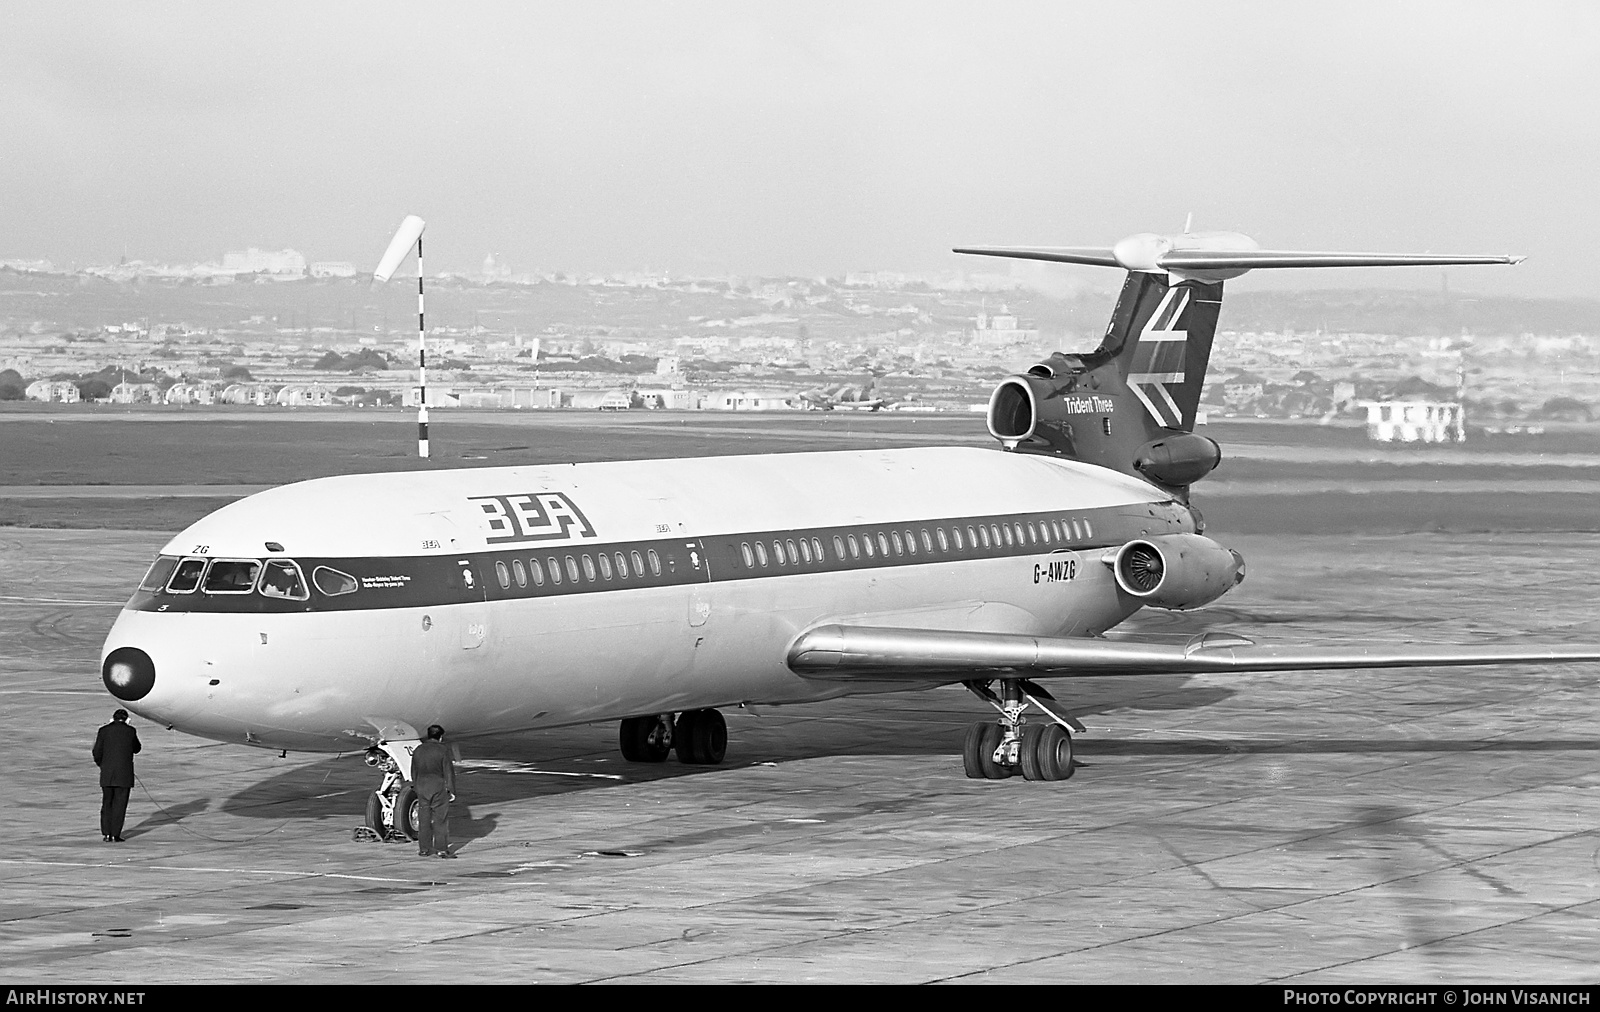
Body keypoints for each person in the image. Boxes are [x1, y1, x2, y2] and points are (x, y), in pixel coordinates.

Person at [92, 709, 141, 842]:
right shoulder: (130, 731)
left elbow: (97, 751)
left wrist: (102, 765)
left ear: (112, 719)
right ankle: (115, 834)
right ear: (127, 719)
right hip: (124, 775)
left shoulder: (103, 730)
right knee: (120, 805)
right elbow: (137, 748)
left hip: (107, 773)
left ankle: (106, 833)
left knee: (107, 803)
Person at [411, 724, 456, 858]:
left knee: (423, 818)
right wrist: (451, 790)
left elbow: (413, 771)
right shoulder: (442, 750)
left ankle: (424, 849)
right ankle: (441, 849)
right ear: (440, 737)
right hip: (438, 787)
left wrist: (416, 786)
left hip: (422, 787)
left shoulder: (418, 749)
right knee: (440, 819)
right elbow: (448, 772)